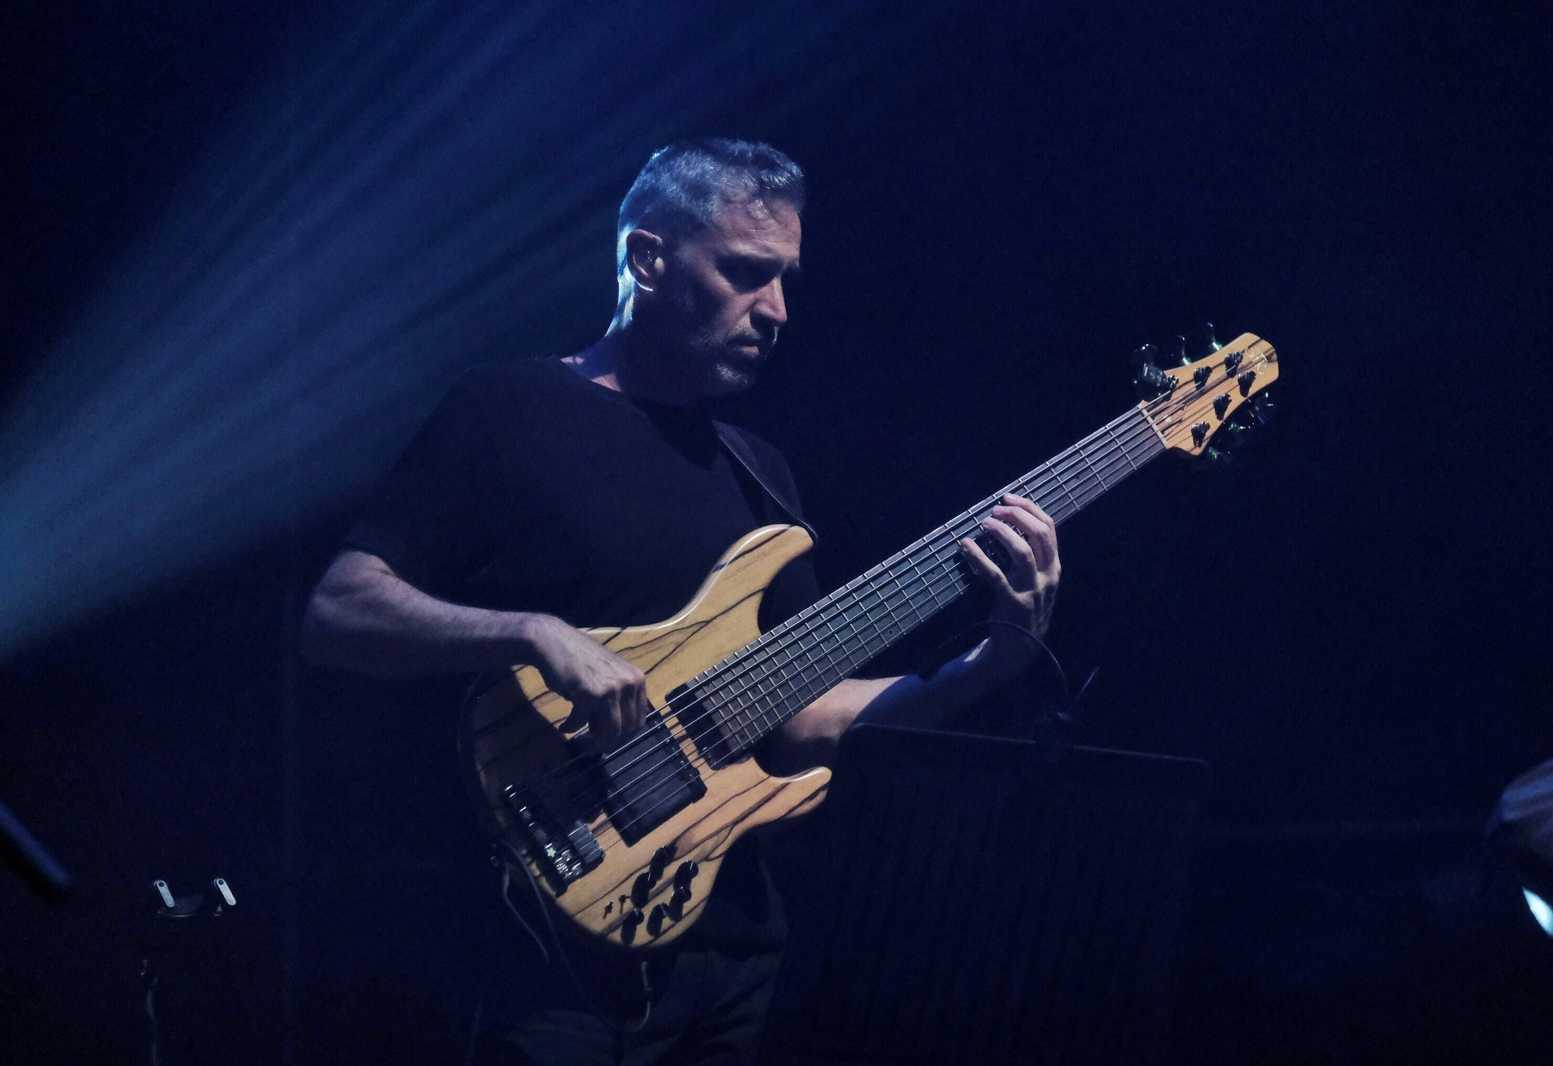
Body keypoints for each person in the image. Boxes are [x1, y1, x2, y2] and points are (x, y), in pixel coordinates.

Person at [300, 138, 1061, 1065]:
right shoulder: (506, 410)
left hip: (731, 957)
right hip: (548, 958)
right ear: (648, 260)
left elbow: (805, 720)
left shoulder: (761, 479)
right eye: (746, 273)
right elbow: (339, 610)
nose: (776, 310)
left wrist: (992, 663)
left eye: (786, 280)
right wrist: (532, 634)